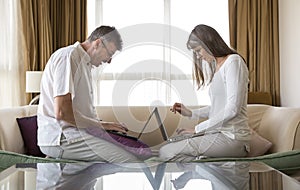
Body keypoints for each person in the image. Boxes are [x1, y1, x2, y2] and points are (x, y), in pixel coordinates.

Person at [37, 26, 140, 162]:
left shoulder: (84, 64)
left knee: (130, 148)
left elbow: (79, 112)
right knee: (127, 160)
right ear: (97, 43)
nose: (109, 61)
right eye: (110, 53)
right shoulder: (68, 57)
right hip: (62, 138)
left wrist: (104, 127)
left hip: (77, 135)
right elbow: (62, 113)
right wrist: (103, 126)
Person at [159, 24, 251, 161]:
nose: (198, 56)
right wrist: (191, 113)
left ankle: (200, 167)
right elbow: (218, 107)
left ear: (208, 43)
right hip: (218, 134)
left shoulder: (233, 62)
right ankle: (202, 166)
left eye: (198, 50)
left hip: (233, 138)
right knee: (169, 145)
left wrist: (197, 129)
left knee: (167, 152)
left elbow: (233, 109)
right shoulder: (218, 66)